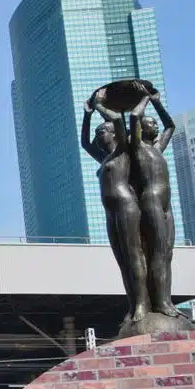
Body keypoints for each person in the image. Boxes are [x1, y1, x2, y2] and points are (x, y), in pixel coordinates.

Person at [82, 90, 148, 323]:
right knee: (122, 259)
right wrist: (87, 115)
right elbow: (84, 143)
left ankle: (142, 305)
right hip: (111, 211)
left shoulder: (123, 151)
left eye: (101, 131)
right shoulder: (105, 159)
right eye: (97, 132)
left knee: (133, 255)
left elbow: (119, 120)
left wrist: (100, 105)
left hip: (126, 206)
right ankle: (133, 304)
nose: (98, 135)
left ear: (113, 135)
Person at [128, 89, 180, 318]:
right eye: (151, 123)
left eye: (155, 124)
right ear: (142, 128)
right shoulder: (138, 147)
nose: (156, 126)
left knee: (167, 253)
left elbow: (170, 126)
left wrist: (158, 104)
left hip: (166, 204)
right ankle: (160, 303)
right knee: (158, 252)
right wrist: (145, 98)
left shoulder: (157, 149)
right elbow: (133, 116)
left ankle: (166, 299)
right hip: (152, 200)